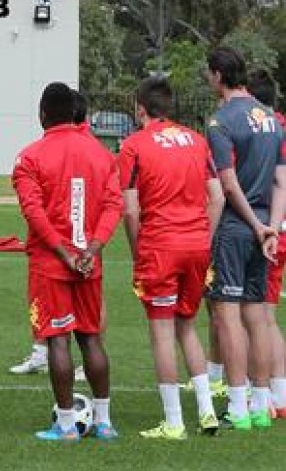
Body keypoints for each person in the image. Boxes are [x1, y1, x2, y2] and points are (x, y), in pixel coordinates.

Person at [13, 82, 123, 442]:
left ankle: (65, 426)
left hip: (52, 265)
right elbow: (113, 205)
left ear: (43, 114)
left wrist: (65, 253)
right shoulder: (103, 154)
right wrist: (91, 249)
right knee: (91, 339)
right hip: (90, 265)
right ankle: (104, 423)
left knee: (58, 340)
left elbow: (34, 212)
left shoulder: (30, 156)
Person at [113, 78, 223, 439]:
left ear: (140, 108)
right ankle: (207, 412)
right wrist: (203, 238)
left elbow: (130, 210)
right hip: (196, 245)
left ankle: (173, 421)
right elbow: (217, 197)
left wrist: (137, 251)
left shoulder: (134, 145)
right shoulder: (196, 140)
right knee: (187, 325)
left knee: (161, 330)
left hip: (160, 246)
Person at [203, 47, 283, 430]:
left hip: (237, 228)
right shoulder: (271, 119)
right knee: (259, 315)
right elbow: (282, 181)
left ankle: (237, 406)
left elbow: (228, 184)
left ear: (218, 75)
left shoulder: (220, 121)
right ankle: (262, 404)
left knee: (228, 315)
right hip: (266, 223)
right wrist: (271, 226)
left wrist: (253, 224)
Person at [246, 70, 286, 417]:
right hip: (279, 225)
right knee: (264, 315)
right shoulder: (279, 126)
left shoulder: (266, 129)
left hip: (268, 228)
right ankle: (277, 394)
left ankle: (267, 395)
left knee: (259, 316)